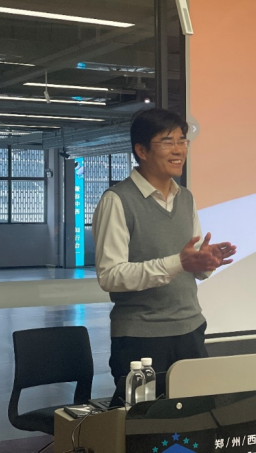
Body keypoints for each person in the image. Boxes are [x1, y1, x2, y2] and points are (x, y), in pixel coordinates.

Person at [92, 108, 236, 384]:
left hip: (191, 328)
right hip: (141, 337)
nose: (179, 150)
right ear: (142, 151)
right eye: (168, 142)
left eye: (182, 141)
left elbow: (190, 264)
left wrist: (205, 261)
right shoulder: (117, 200)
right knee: (145, 412)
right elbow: (110, 276)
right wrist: (179, 263)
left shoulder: (186, 198)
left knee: (196, 408)